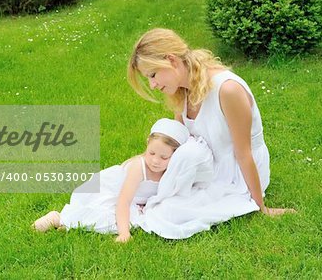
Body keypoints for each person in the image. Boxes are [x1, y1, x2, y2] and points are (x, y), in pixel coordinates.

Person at [127, 28, 296, 216]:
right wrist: (143, 163)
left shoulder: (228, 90)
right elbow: (177, 144)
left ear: (172, 60)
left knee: (172, 213)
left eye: (152, 75)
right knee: (129, 184)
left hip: (237, 172)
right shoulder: (181, 90)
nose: (153, 85)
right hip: (207, 162)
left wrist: (260, 207)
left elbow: (244, 153)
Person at [32, 118, 190, 242]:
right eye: (152, 153)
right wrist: (124, 233)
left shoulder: (171, 171)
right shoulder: (138, 167)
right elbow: (123, 200)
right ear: (147, 144)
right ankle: (59, 218)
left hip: (134, 201)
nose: (155, 161)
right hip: (113, 192)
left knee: (137, 220)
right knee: (112, 219)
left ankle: (70, 225)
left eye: (164, 157)